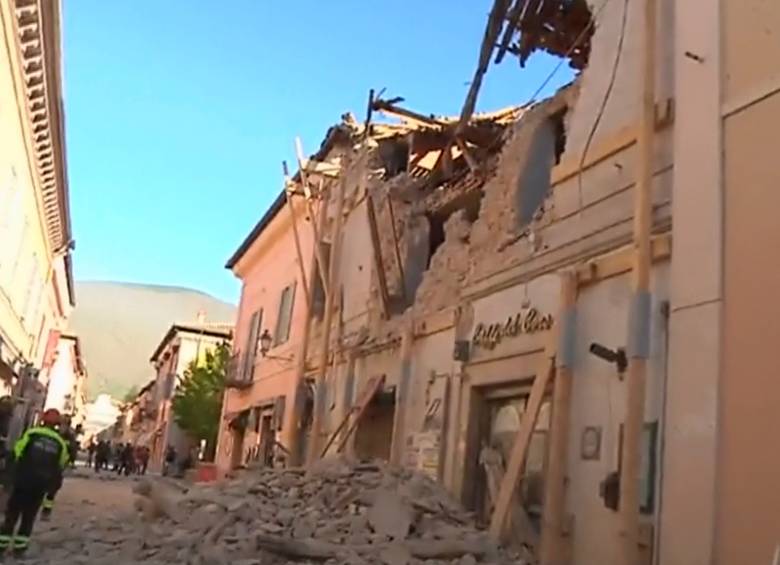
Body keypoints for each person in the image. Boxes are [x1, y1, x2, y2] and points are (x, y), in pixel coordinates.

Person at [0, 409, 68, 557]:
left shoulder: (32, 434)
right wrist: (51, 492)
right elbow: (61, 465)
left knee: (11, 515)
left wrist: (9, 477)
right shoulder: (60, 443)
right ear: (57, 424)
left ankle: (1, 547)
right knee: (28, 518)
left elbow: (17, 452)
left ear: (43, 420)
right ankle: (19, 549)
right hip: (40, 486)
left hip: (22, 482)